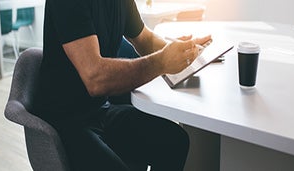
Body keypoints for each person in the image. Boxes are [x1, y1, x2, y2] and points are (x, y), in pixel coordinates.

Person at [33, 0, 212, 170]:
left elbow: (145, 39)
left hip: (100, 110)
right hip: (66, 120)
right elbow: (95, 79)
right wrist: (160, 63)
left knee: (175, 142)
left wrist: (184, 52)